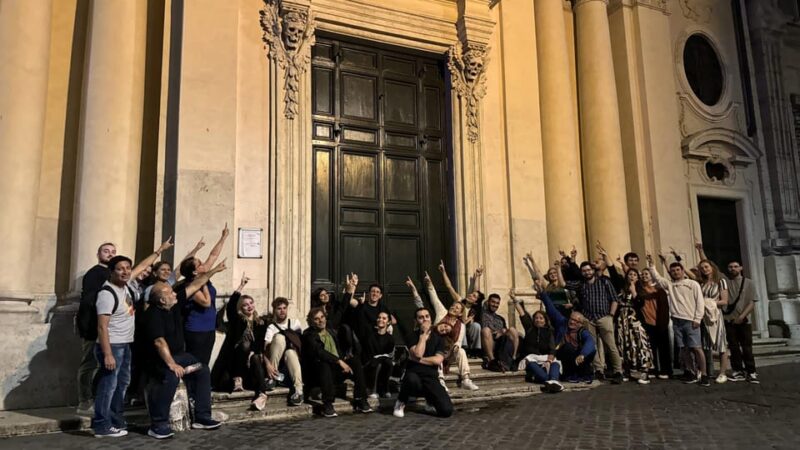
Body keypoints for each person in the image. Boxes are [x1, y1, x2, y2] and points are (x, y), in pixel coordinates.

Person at [142, 260, 227, 439]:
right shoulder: (153, 315)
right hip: (160, 360)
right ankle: (158, 424)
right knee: (171, 376)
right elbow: (159, 342)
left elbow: (196, 284)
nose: (174, 293)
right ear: (162, 299)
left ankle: (202, 416)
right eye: (170, 293)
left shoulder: (173, 304)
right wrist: (172, 364)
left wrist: (214, 271)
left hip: (181, 356)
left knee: (202, 369)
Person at [407, 274, 479, 391]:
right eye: (452, 305)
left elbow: (459, 341)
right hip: (435, 350)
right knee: (438, 352)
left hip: (449, 351)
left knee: (461, 351)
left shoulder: (461, 325)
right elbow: (434, 298)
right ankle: (440, 380)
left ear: (461, 313)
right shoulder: (442, 312)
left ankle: (465, 379)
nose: (453, 308)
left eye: (457, 308)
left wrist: (455, 347)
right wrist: (429, 283)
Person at [91, 255, 136, 437]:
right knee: (108, 386)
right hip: (112, 346)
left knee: (121, 384)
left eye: (127, 268)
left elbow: (140, 268)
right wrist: (107, 353)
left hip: (125, 344)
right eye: (120, 268)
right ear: (111, 272)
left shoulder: (126, 288)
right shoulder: (106, 294)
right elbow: (102, 326)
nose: (125, 271)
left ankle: (116, 419)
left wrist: (159, 252)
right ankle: (101, 425)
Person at [650, 255, 710, 386]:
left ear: (682, 271)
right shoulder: (670, 285)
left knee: (697, 348)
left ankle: (704, 374)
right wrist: (652, 265)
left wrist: (697, 319)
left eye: (678, 270)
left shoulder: (693, 284)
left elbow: (700, 302)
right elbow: (657, 278)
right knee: (684, 349)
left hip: (691, 320)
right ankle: (690, 372)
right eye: (673, 271)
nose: (676, 272)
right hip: (677, 321)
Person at [301, 307, 372, 418]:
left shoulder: (330, 330)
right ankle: (328, 404)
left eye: (322, 317)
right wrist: (339, 361)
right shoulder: (308, 335)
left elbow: (341, 311)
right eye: (316, 319)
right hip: (318, 373)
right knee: (324, 364)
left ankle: (360, 399)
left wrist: (343, 359)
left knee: (355, 362)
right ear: (311, 322)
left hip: (336, 369)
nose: (321, 321)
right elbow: (320, 352)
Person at [176, 224, 229, 366]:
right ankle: (191, 386)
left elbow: (213, 255)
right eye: (199, 264)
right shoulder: (191, 286)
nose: (204, 265)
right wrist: (204, 282)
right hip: (196, 329)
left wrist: (223, 237)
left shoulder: (202, 276)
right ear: (194, 272)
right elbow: (205, 302)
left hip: (209, 327)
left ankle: (201, 385)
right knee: (195, 362)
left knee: (204, 362)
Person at [76, 242, 117, 415]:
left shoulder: (112, 273)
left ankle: (99, 398)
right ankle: (84, 402)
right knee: (89, 364)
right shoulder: (95, 273)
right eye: (106, 251)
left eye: (113, 252)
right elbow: (89, 302)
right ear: (98, 254)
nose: (110, 254)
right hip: (93, 327)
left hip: (108, 328)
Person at [393, 307, 454, 418]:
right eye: (421, 317)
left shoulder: (439, 339)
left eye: (427, 316)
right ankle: (401, 401)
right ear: (416, 321)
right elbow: (418, 353)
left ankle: (430, 400)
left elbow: (438, 360)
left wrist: (418, 360)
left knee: (446, 411)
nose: (425, 319)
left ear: (431, 319)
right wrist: (423, 336)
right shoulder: (411, 336)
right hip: (414, 375)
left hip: (431, 377)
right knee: (410, 379)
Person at [223, 274, 272, 411]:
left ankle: (262, 394)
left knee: (256, 356)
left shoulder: (261, 322)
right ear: (241, 309)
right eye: (245, 305)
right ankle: (237, 379)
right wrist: (241, 285)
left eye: (251, 303)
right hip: (236, 361)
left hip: (253, 361)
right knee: (244, 345)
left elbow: (261, 342)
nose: (249, 306)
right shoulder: (237, 320)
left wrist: (253, 353)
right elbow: (231, 305)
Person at [571, 260, 624, 384]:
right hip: (589, 319)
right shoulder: (581, 284)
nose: (587, 272)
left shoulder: (604, 281)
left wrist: (611, 315)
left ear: (593, 270)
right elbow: (563, 284)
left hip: (604, 317)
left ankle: (618, 371)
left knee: (611, 346)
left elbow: (614, 299)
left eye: (589, 270)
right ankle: (598, 370)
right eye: (584, 271)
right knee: (591, 346)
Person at [535, 284, 596, 383]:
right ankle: (569, 375)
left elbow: (590, 342)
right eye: (571, 319)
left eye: (576, 321)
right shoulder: (562, 322)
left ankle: (583, 374)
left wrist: (583, 355)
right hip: (562, 354)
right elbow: (551, 309)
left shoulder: (582, 331)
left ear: (581, 324)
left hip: (577, 357)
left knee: (591, 352)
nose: (572, 322)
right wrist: (543, 293)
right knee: (568, 348)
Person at [511, 292, 563, 393]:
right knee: (541, 373)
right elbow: (522, 314)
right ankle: (551, 382)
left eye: (541, 318)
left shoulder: (549, 332)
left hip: (545, 358)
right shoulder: (530, 328)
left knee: (555, 364)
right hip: (532, 359)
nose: (538, 320)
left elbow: (552, 349)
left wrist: (549, 361)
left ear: (545, 320)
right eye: (536, 318)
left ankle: (553, 381)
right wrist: (514, 299)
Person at [695, 255, 731, 384]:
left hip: (716, 315)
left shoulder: (720, 281)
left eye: (706, 267)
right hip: (704, 316)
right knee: (705, 344)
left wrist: (710, 302)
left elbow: (725, 301)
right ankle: (706, 371)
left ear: (712, 267)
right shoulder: (701, 283)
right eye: (702, 268)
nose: (705, 269)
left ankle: (722, 372)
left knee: (721, 344)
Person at [722, 260, 759, 383]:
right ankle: (737, 370)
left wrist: (742, 316)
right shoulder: (725, 282)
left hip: (744, 321)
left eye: (735, 266)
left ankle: (751, 371)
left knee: (747, 347)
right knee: (733, 347)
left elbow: (752, 302)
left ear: (741, 268)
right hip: (729, 320)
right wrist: (700, 251)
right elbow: (712, 267)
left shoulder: (749, 283)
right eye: (730, 266)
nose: (733, 268)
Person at [615, 269, 654, 384]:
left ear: (638, 277)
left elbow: (640, 303)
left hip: (635, 321)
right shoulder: (622, 289)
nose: (632, 277)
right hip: (622, 322)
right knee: (625, 345)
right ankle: (628, 370)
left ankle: (644, 371)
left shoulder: (641, 289)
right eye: (630, 274)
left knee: (639, 344)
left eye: (635, 275)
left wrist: (634, 291)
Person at [264, 297, 304, 406]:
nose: (282, 311)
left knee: (290, 352)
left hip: (293, 361)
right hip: (276, 363)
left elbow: (300, 343)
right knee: (279, 338)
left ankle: (299, 391)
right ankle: (272, 377)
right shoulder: (271, 327)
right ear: (274, 310)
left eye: (284, 308)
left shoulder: (295, 323)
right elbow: (266, 347)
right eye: (279, 308)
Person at [438, 261, 483, 353]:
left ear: (475, 302)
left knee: (476, 326)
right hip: (456, 329)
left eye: (474, 296)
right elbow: (449, 286)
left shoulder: (474, 310)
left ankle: (475, 351)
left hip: (469, 332)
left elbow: (476, 290)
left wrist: (477, 277)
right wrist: (443, 272)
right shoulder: (459, 301)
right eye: (471, 294)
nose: (470, 295)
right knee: (461, 325)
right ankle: (463, 348)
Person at [636, 267, 672, 379]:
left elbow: (665, 308)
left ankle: (665, 370)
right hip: (647, 321)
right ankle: (653, 368)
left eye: (647, 274)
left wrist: (664, 322)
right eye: (642, 274)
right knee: (650, 347)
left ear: (651, 276)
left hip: (659, 321)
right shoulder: (640, 291)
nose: (644, 276)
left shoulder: (659, 290)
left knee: (663, 347)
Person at [523, 253, 575, 321]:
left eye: (555, 273)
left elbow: (574, 298)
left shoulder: (565, 284)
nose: (553, 275)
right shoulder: (547, 286)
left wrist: (571, 304)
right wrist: (532, 262)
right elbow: (538, 273)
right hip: (552, 311)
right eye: (550, 274)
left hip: (564, 311)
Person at [480, 293, 519, 371]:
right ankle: (492, 361)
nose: (495, 305)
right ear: (488, 302)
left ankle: (513, 359)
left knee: (512, 330)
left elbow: (505, 332)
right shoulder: (481, 313)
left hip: (501, 342)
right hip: (488, 342)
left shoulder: (500, 318)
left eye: (497, 303)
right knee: (486, 330)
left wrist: (503, 332)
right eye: (493, 302)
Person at [362, 311, 395, 398]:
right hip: (370, 364)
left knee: (388, 363)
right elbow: (370, 355)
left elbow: (389, 355)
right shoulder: (370, 336)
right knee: (378, 363)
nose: (381, 320)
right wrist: (382, 356)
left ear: (388, 322)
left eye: (384, 318)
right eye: (379, 317)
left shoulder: (390, 338)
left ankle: (384, 389)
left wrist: (380, 356)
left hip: (383, 363)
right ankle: (373, 390)